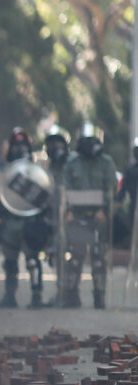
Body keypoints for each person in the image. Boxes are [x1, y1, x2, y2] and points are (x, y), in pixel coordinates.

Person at [0, 127, 52, 309]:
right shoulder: (6, 171)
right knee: (9, 259)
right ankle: (10, 296)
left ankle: (36, 296)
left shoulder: (35, 170)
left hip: (31, 220)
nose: (19, 148)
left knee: (32, 259)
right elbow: (2, 198)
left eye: (23, 144)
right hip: (10, 220)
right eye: (16, 145)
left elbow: (44, 194)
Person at [60, 122, 117, 308]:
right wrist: (68, 211)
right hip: (76, 217)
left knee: (99, 258)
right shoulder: (72, 162)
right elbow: (65, 187)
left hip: (98, 217)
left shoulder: (106, 162)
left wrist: (104, 210)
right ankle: (72, 295)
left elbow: (111, 189)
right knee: (75, 257)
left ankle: (99, 296)